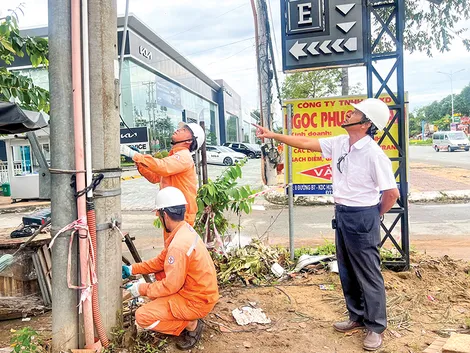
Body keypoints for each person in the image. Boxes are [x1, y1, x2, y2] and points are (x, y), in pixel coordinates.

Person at [255, 98, 399, 351]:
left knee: (368, 273)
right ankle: (356, 316)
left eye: (355, 113)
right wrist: (273, 135)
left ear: (366, 124)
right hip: (343, 213)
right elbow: (306, 142)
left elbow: (391, 194)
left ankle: (376, 327)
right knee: (347, 269)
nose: (349, 114)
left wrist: (374, 214)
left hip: (363, 215)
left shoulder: (374, 155)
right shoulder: (341, 143)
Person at [122, 186, 219, 350]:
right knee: (159, 278)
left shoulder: (178, 246)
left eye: (159, 215)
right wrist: (133, 269)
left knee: (142, 317)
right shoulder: (184, 231)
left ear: (164, 214)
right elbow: (161, 262)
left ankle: (190, 324)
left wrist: (141, 288)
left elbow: (170, 286)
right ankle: (186, 317)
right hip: (198, 293)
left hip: (196, 301)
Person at [120, 123, 205, 226]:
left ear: (189, 141)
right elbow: (155, 177)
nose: (178, 130)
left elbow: (162, 166)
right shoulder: (174, 156)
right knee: (172, 242)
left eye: (184, 130)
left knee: (179, 242)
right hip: (173, 212)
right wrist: (138, 161)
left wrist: (134, 155)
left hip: (181, 214)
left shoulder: (184, 156)